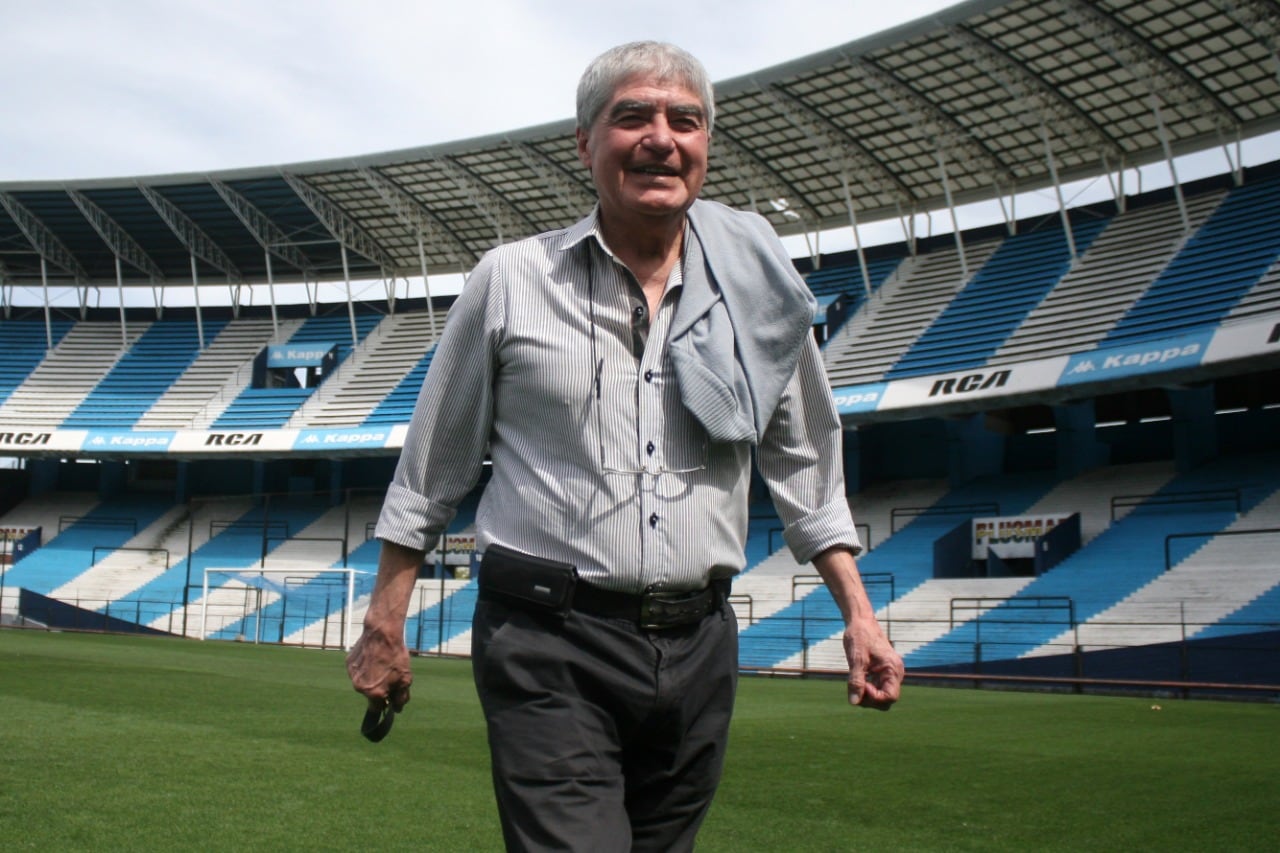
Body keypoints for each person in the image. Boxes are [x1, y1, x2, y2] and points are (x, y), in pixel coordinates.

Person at [347, 40, 903, 852]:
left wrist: (860, 615)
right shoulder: (511, 279)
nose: (662, 138)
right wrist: (386, 619)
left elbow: (805, 459)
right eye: (632, 116)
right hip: (548, 640)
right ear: (585, 142)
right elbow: (434, 465)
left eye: (686, 120)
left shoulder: (760, 290)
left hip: (701, 643)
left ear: (707, 144)